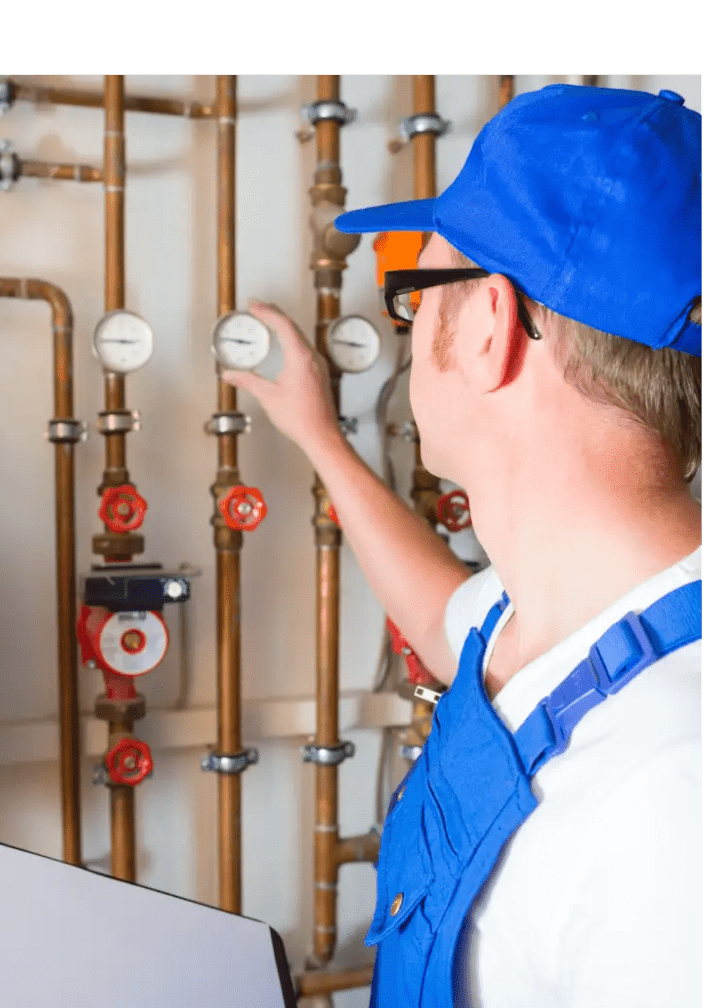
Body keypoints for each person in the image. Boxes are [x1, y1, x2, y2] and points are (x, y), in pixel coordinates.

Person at [223, 84, 701, 1007]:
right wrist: (320, 435)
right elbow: (449, 622)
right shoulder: (562, 611)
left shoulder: (671, 797)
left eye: (413, 297)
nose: (410, 332)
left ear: (487, 325)